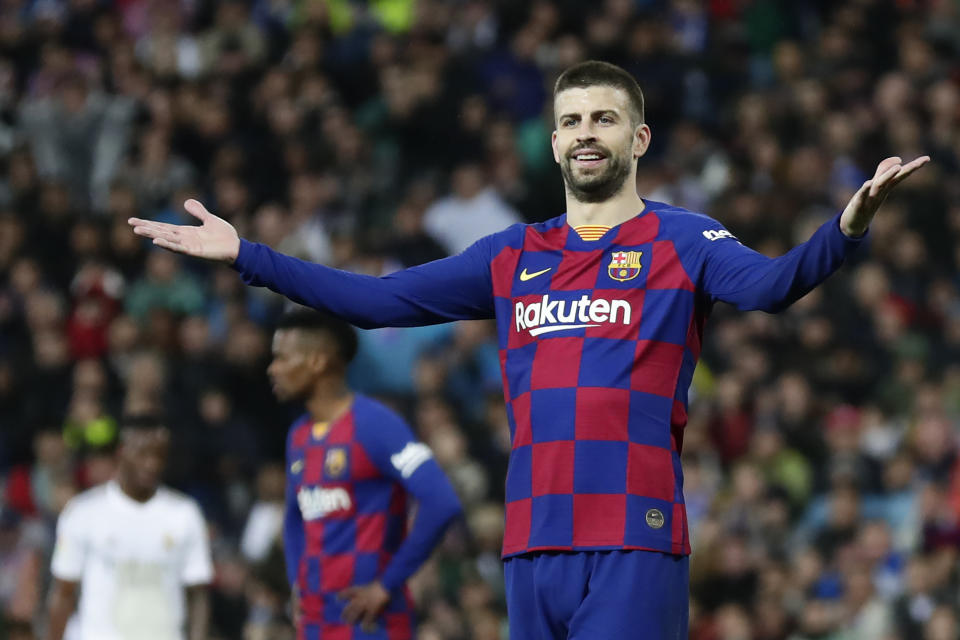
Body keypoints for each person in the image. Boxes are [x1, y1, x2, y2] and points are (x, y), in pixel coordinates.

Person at [129, 60, 929, 639]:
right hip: (530, 542)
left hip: (631, 538)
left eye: (604, 118)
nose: (587, 134)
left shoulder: (683, 240)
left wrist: (847, 226)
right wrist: (247, 256)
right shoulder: (513, 254)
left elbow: (774, 286)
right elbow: (376, 302)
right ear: (552, 144)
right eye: (573, 121)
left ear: (639, 137)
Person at [268, 310, 462, 638]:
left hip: (371, 622)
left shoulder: (375, 424)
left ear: (317, 361)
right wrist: (296, 583)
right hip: (315, 622)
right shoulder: (297, 435)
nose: (272, 369)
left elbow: (441, 502)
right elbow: (293, 516)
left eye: (282, 358)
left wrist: (387, 584)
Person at [45, 417, 212, 640]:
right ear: (121, 453)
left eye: (159, 456)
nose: (151, 464)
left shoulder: (184, 514)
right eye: (143, 454)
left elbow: (197, 594)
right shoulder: (83, 512)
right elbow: (63, 592)